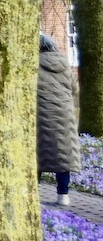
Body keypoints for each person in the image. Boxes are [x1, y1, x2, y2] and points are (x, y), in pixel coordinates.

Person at [37, 33, 81, 207]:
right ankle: (63, 195)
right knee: (63, 156)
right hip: (64, 116)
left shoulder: (33, 64)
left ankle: (34, 192)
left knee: (37, 154)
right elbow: (74, 89)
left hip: (40, 115)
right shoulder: (65, 64)